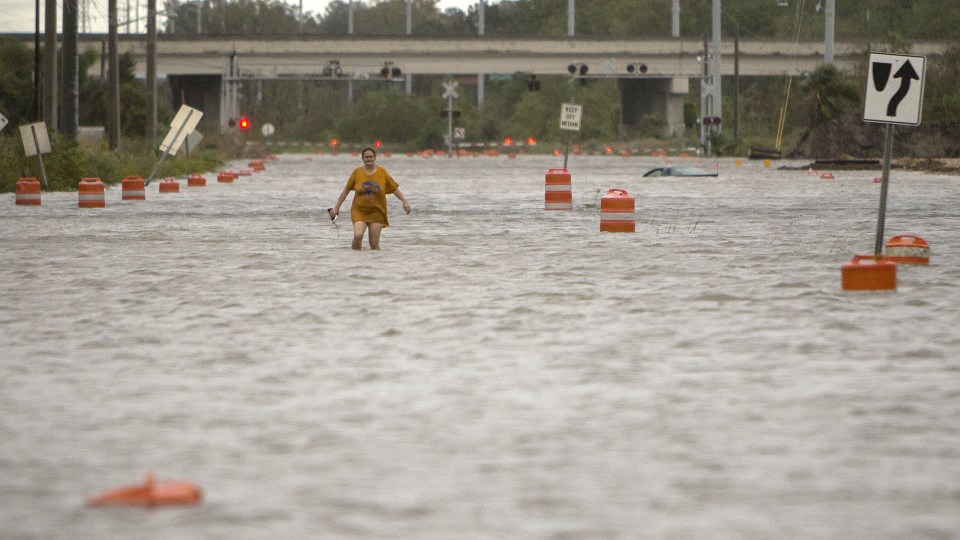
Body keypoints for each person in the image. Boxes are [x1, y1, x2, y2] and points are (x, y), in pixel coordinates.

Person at [330, 147, 411, 250]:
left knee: (374, 243)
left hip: (377, 211)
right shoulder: (357, 172)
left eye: (371, 157)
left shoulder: (382, 172)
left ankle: (375, 263)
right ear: (362, 158)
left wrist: (405, 201)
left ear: (375, 157)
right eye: (366, 157)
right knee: (358, 236)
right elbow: (345, 191)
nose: (369, 159)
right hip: (359, 210)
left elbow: (394, 189)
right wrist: (336, 208)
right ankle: (356, 258)